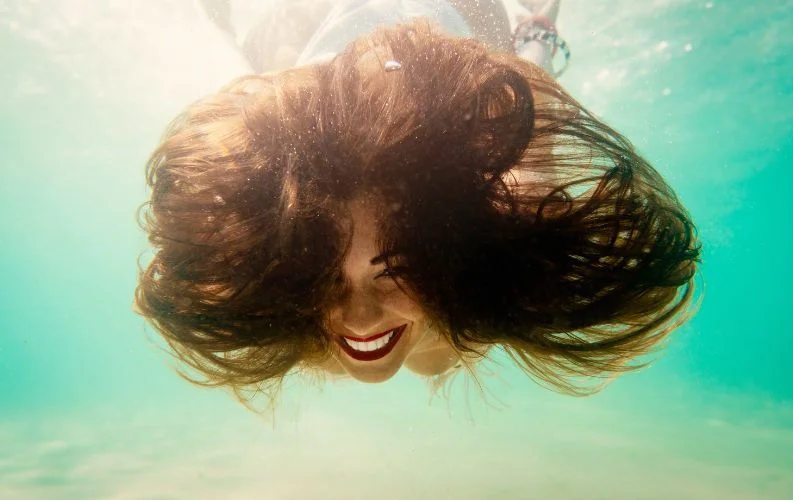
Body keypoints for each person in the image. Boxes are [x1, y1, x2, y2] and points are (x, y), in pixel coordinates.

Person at [135, 0, 701, 405]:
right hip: (321, 78)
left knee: (516, 98)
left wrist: (532, 52)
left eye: (396, 268)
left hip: (462, 25)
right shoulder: (274, 263)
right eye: (318, 267)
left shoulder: (502, 198)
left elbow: (539, 136)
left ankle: (536, 31)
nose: (357, 319)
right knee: (275, 84)